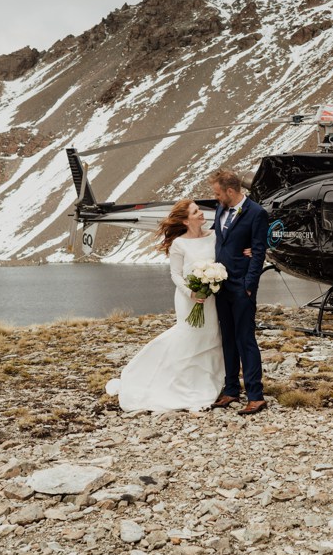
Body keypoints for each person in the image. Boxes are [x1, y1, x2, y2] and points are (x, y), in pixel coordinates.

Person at [105, 199, 224, 413]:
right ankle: (171, 381)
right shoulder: (180, 243)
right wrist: (192, 292)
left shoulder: (214, 236)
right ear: (186, 220)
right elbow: (176, 275)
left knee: (211, 336)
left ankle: (205, 383)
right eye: (196, 211)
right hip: (189, 299)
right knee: (189, 336)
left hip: (211, 298)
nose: (201, 214)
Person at [207, 169, 270, 416]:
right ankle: (231, 390)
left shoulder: (256, 213)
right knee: (228, 339)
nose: (215, 197)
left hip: (242, 287)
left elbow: (259, 251)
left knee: (245, 339)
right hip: (220, 285)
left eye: (217, 192)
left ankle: (256, 395)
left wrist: (249, 284)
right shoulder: (221, 209)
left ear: (230, 191)